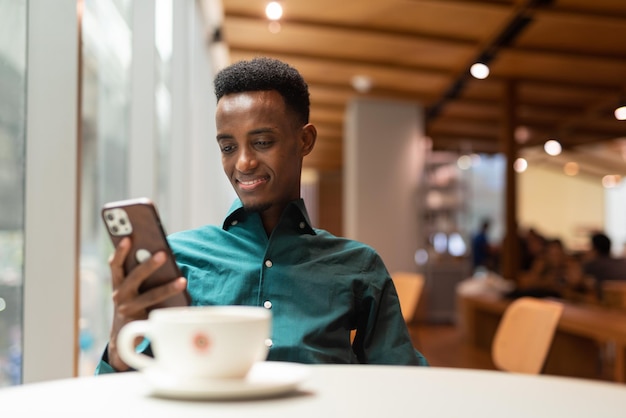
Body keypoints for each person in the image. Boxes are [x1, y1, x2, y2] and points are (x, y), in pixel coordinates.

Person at [95, 57, 428, 374]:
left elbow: (403, 384)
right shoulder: (178, 260)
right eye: (228, 147)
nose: (243, 163)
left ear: (305, 140)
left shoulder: (358, 266)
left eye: (263, 141)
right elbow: (126, 394)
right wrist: (120, 334)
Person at [582, 232, 626, 300]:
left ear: (595, 249)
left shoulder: (594, 265)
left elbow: (577, 283)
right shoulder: (622, 262)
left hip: (607, 303)